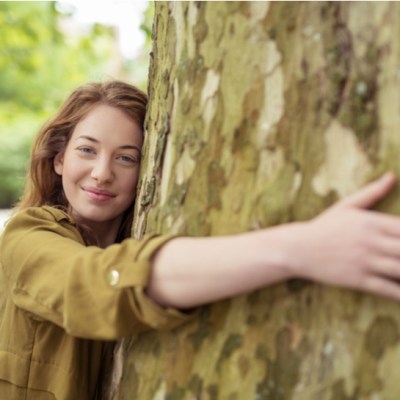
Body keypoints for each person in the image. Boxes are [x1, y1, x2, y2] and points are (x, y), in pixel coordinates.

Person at [1, 80, 400, 400]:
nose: (102, 173)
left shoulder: (143, 234)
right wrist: (303, 249)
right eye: (87, 150)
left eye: (126, 157)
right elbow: (89, 284)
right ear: (59, 160)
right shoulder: (27, 237)